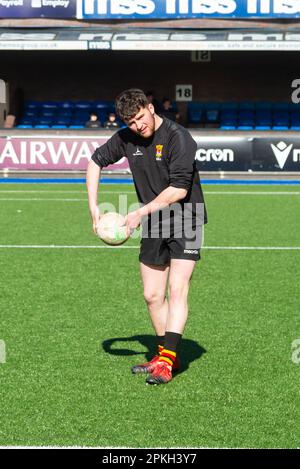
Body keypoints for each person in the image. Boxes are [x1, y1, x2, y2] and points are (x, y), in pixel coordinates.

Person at [86, 89, 207, 386]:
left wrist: (140, 213)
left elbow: (179, 190)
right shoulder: (126, 138)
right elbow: (95, 161)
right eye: (131, 122)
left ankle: (166, 362)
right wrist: (93, 209)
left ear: (150, 108)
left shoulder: (179, 137)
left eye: (141, 118)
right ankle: (166, 354)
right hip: (154, 222)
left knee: (177, 290)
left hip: (185, 219)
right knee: (152, 296)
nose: (138, 126)